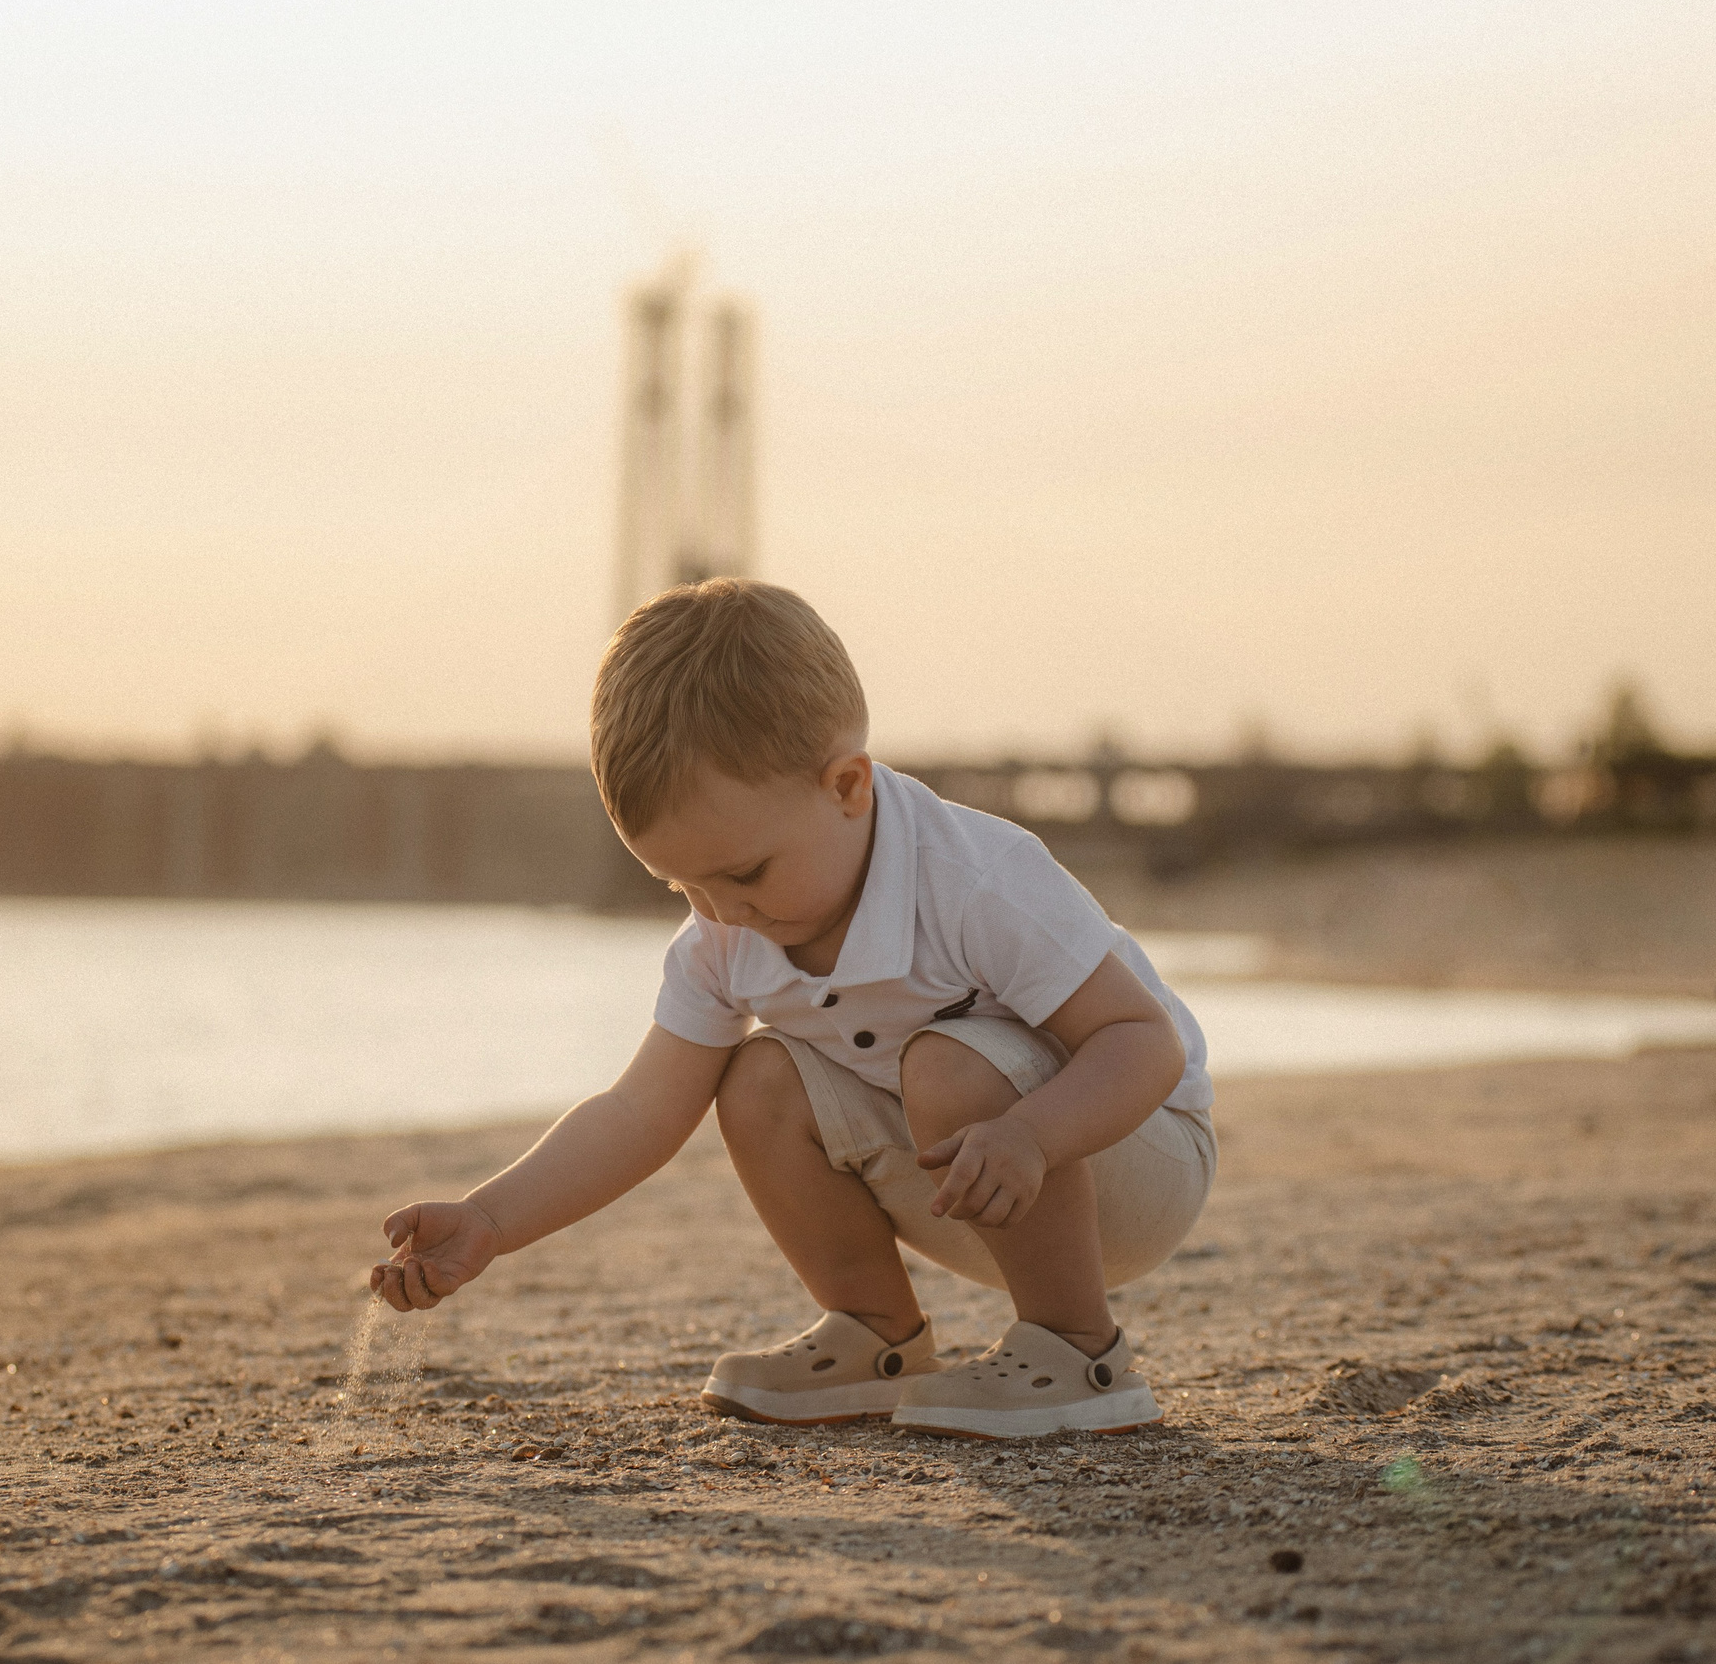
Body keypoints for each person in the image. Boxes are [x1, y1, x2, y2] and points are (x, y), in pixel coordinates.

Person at [371, 580, 1215, 1438]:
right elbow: (639, 1110)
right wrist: (487, 1219)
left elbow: (1142, 1042)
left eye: (743, 874)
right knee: (757, 1076)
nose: (720, 911)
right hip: (964, 1181)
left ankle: (1081, 1351)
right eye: (681, 884)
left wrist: (1034, 1133)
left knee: (946, 1061)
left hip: (1127, 1157)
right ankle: (875, 1335)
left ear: (848, 786)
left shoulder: (973, 880)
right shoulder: (724, 934)